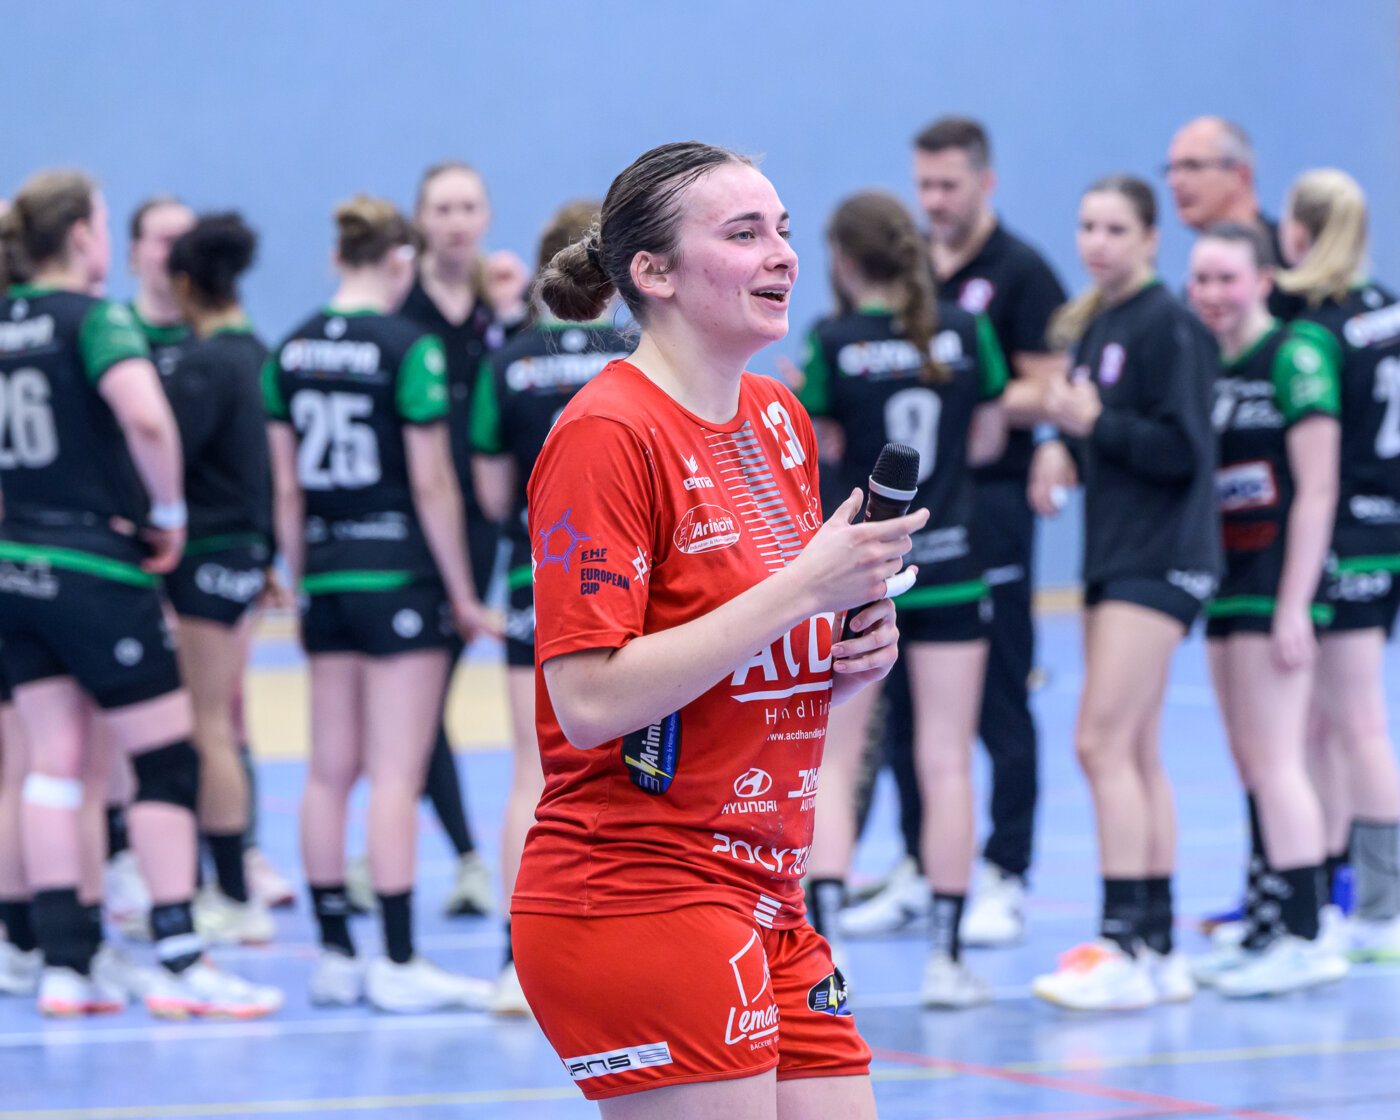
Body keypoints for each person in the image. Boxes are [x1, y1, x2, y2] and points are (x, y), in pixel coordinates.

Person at [512, 141, 924, 1117]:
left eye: (782, 230)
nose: (781, 254)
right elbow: (589, 700)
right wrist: (803, 590)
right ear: (652, 273)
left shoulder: (778, 417)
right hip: (637, 886)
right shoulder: (606, 433)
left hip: (768, 889)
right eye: (743, 234)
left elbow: (732, 648)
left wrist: (840, 659)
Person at [0, 169, 281, 1018]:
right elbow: (148, 418)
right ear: (83, 237)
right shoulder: (95, 319)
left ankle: (66, 963)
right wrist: (167, 514)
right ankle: (180, 956)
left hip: (17, 566)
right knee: (164, 759)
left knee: (54, 763)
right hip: (98, 565)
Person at [264, 195, 497, 1012]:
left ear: (337, 257)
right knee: (396, 771)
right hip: (399, 575)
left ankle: (335, 955)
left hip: (327, 577)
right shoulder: (409, 347)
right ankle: (397, 958)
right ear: (402, 262)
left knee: (327, 772)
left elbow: (286, 491)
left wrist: (303, 578)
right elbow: (433, 483)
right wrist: (463, 592)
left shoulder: (289, 348)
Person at [843, 118, 1066, 947]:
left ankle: (1005, 870)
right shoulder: (913, 274)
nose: (934, 202)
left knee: (999, 694)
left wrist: (966, 393)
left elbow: (1050, 388)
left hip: (990, 508)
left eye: (948, 186)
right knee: (902, 697)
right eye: (924, 186)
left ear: (985, 182)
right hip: (915, 515)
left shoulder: (1021, 273)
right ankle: (920, 861)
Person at [797, 190, 1008, 1006]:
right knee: (947, 758)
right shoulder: (964, 329)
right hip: (950, 561)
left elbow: (820, 446)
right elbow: (988, 438)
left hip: (858, 571)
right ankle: (947, 961)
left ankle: (827, 957)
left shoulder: (834, 342)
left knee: (835, 761)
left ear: (845, 261)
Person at [1027, 175, 1221, 1010]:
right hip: (1114, 556)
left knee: (1098, 744)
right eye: (1086, 226)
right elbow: (1093, 432)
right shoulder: (1097, 325)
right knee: (1135, 752)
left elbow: (1183, 450)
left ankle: (1121, 942)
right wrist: (1060, 449)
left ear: (1150, 238)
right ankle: (1156, 946)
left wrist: (1091, 426)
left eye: (1114, 228)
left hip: (1162, 556)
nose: (1096, 243)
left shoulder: (1169, 325)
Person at [468, 199, 633, 1014]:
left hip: (537, 584)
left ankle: (514, 962)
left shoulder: (508, 362)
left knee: (531, 773)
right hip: (627, 590)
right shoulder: (636, 357)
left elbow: (494, 494)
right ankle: (622, 944)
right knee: (634, 770)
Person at [1184, 220, 1351, 995]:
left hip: (1278, 582)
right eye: (1201, 279)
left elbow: (1318, 489)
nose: (1212, 293)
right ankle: (1268, 920)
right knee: (1252, 759)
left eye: (1227, 278)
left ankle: (1310, 934)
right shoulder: (1203, 360)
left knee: (1280, 760)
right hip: (1227, 582)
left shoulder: (1295, 354)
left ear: (1263, 281)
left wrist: (1296, 604)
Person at [388, 160, 531, 919]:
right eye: (441, 208)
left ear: (486, 218)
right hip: (410, 517)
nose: (454, 221)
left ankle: (457, 853)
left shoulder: (497, 307)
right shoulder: (396, 304)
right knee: (417, 694)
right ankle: (466, 856)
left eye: (467, 207)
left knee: (428, 690)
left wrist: (511, 316)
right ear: (420, 220)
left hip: (479, 521)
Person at [1278, 169, 1400, 961]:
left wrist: (1297, 589)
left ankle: (1384, 911)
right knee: (1325, 724)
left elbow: (1318, 480)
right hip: (1384, 529)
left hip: (1347, 537)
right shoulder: (1387, 308)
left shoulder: (1317, 333)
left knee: (1356, 721)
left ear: (1300, 232)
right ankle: (1326, 894)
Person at [162, 212, 279, 945]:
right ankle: (228, 883)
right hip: (244, 554)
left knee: (206, 724)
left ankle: (233, 894)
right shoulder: (260, 354)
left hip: (208, 556)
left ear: (184, 284)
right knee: (222, 720)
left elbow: (165, 460)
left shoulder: (204, 364)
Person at [101, 196, 197, 936]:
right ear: (134, 252)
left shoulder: (212, 336)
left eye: (183, 240)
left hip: (200, 546)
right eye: (160, 240)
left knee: (213, 709)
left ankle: (226, 854)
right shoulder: (110, 332)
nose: (172, 253)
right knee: (118, 713)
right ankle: (122, 852)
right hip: (126, 544)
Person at [1164, 117, 1302, 321]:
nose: (1175, 181)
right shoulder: (1192, 291)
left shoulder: (1292, 260)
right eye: (1172, 169)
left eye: (1192, 166)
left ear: (1241, 175)